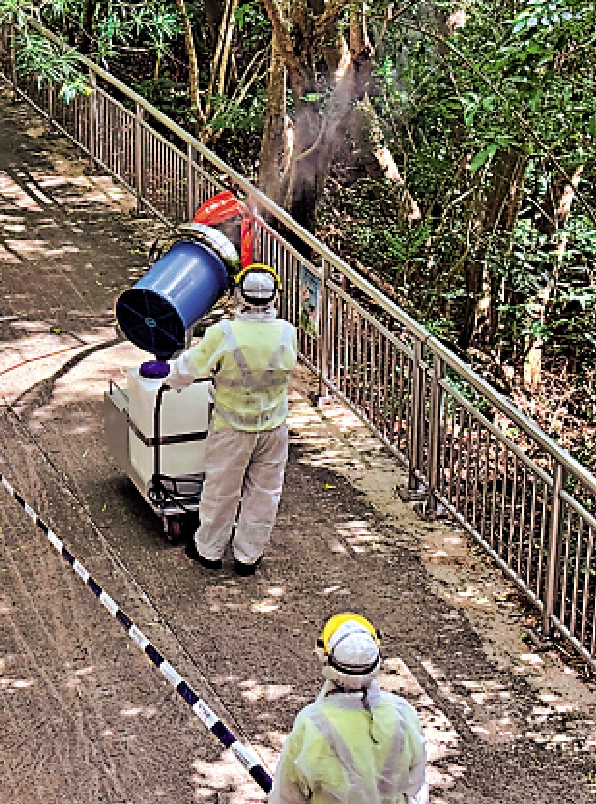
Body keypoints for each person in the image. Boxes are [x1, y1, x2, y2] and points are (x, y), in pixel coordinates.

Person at [167, 264, 297, 576]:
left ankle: (209, 551)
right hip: (273, 428)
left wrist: (165, 376)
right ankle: (248, 558)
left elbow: (184, 371)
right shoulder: (286, 333)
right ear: (274, 297)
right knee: (264, 494)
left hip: (232, 430)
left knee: (221, 490)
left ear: (239, 295)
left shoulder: (223, 334)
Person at [269, 613, 429, 804]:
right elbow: (416, 786)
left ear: (327, 661)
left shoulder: (311, 722)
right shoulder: (403, 713)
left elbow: (287, 795)